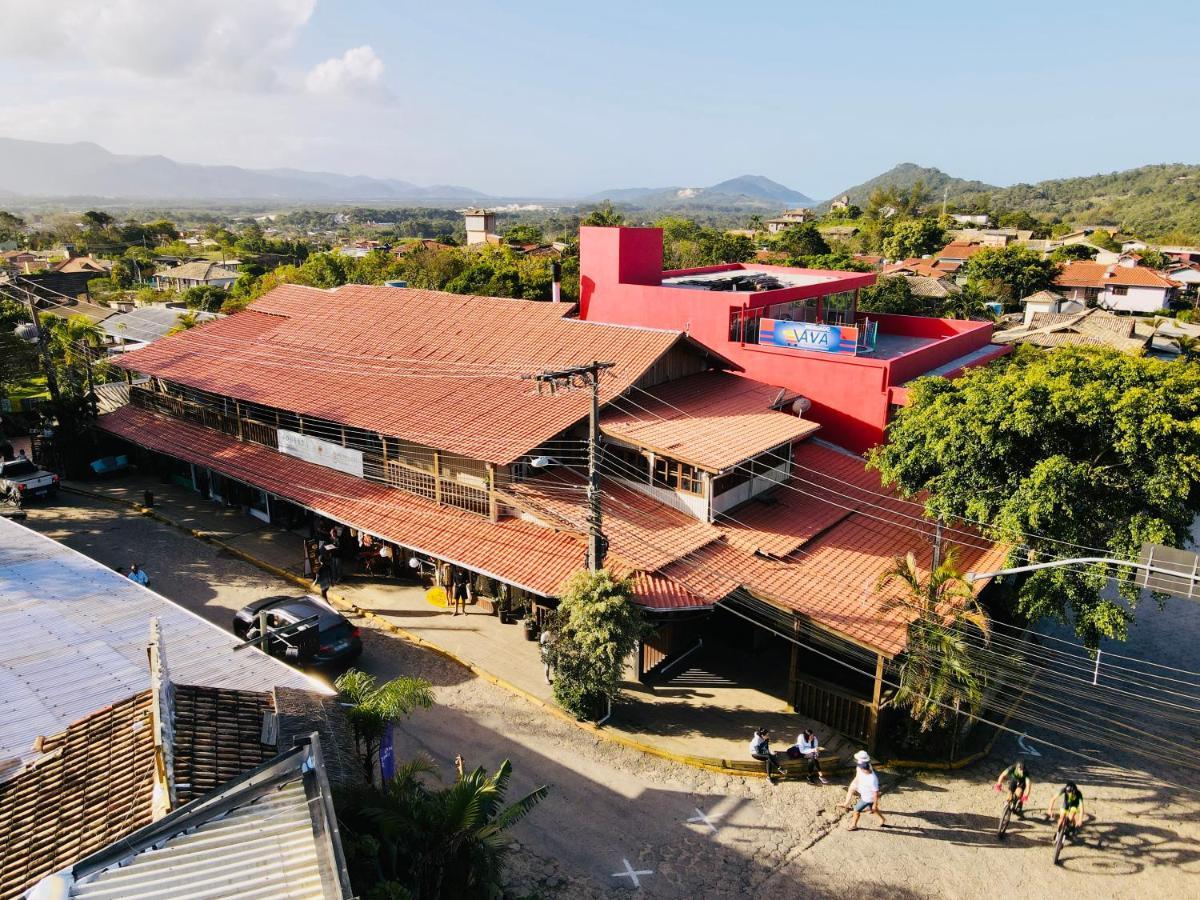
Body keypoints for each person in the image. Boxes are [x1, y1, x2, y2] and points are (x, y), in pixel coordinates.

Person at [843, 751, 887, 830]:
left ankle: (853, 825)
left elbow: (876, 793)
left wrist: (875, 803)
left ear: (864, 769)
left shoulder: (872, 779)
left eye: (861, 768)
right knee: (874, 810)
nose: (859, 768)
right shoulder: (866, 766)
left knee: (856, 810)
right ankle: (882, 819)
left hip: (867, 798)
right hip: (866, 795)